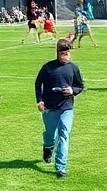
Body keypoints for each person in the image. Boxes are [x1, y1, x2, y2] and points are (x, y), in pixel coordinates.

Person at [35, 38, 84, 179]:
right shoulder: (48, 67)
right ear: (57, 53)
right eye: (63, 54)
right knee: (50, 134)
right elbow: (38, 84)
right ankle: (48, 147)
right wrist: (39, 101)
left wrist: (72, 91)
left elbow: (80, 86)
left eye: (67, 53)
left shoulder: (73, 68)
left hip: (67, 107)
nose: (65, 57)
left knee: (64, 133)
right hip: (50, 107)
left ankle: (61, 167)